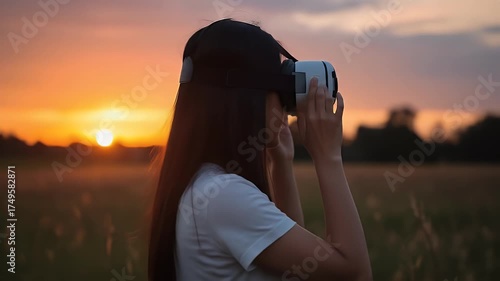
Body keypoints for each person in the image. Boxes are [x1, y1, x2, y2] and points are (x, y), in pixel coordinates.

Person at [148, 19, 372, 281]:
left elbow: (294, 271)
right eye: (279, 85)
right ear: (248, 96)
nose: (285, 102)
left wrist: (281, 165)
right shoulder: (224, 195)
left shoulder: (205, 186)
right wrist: (329, 158)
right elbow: (355, 274)